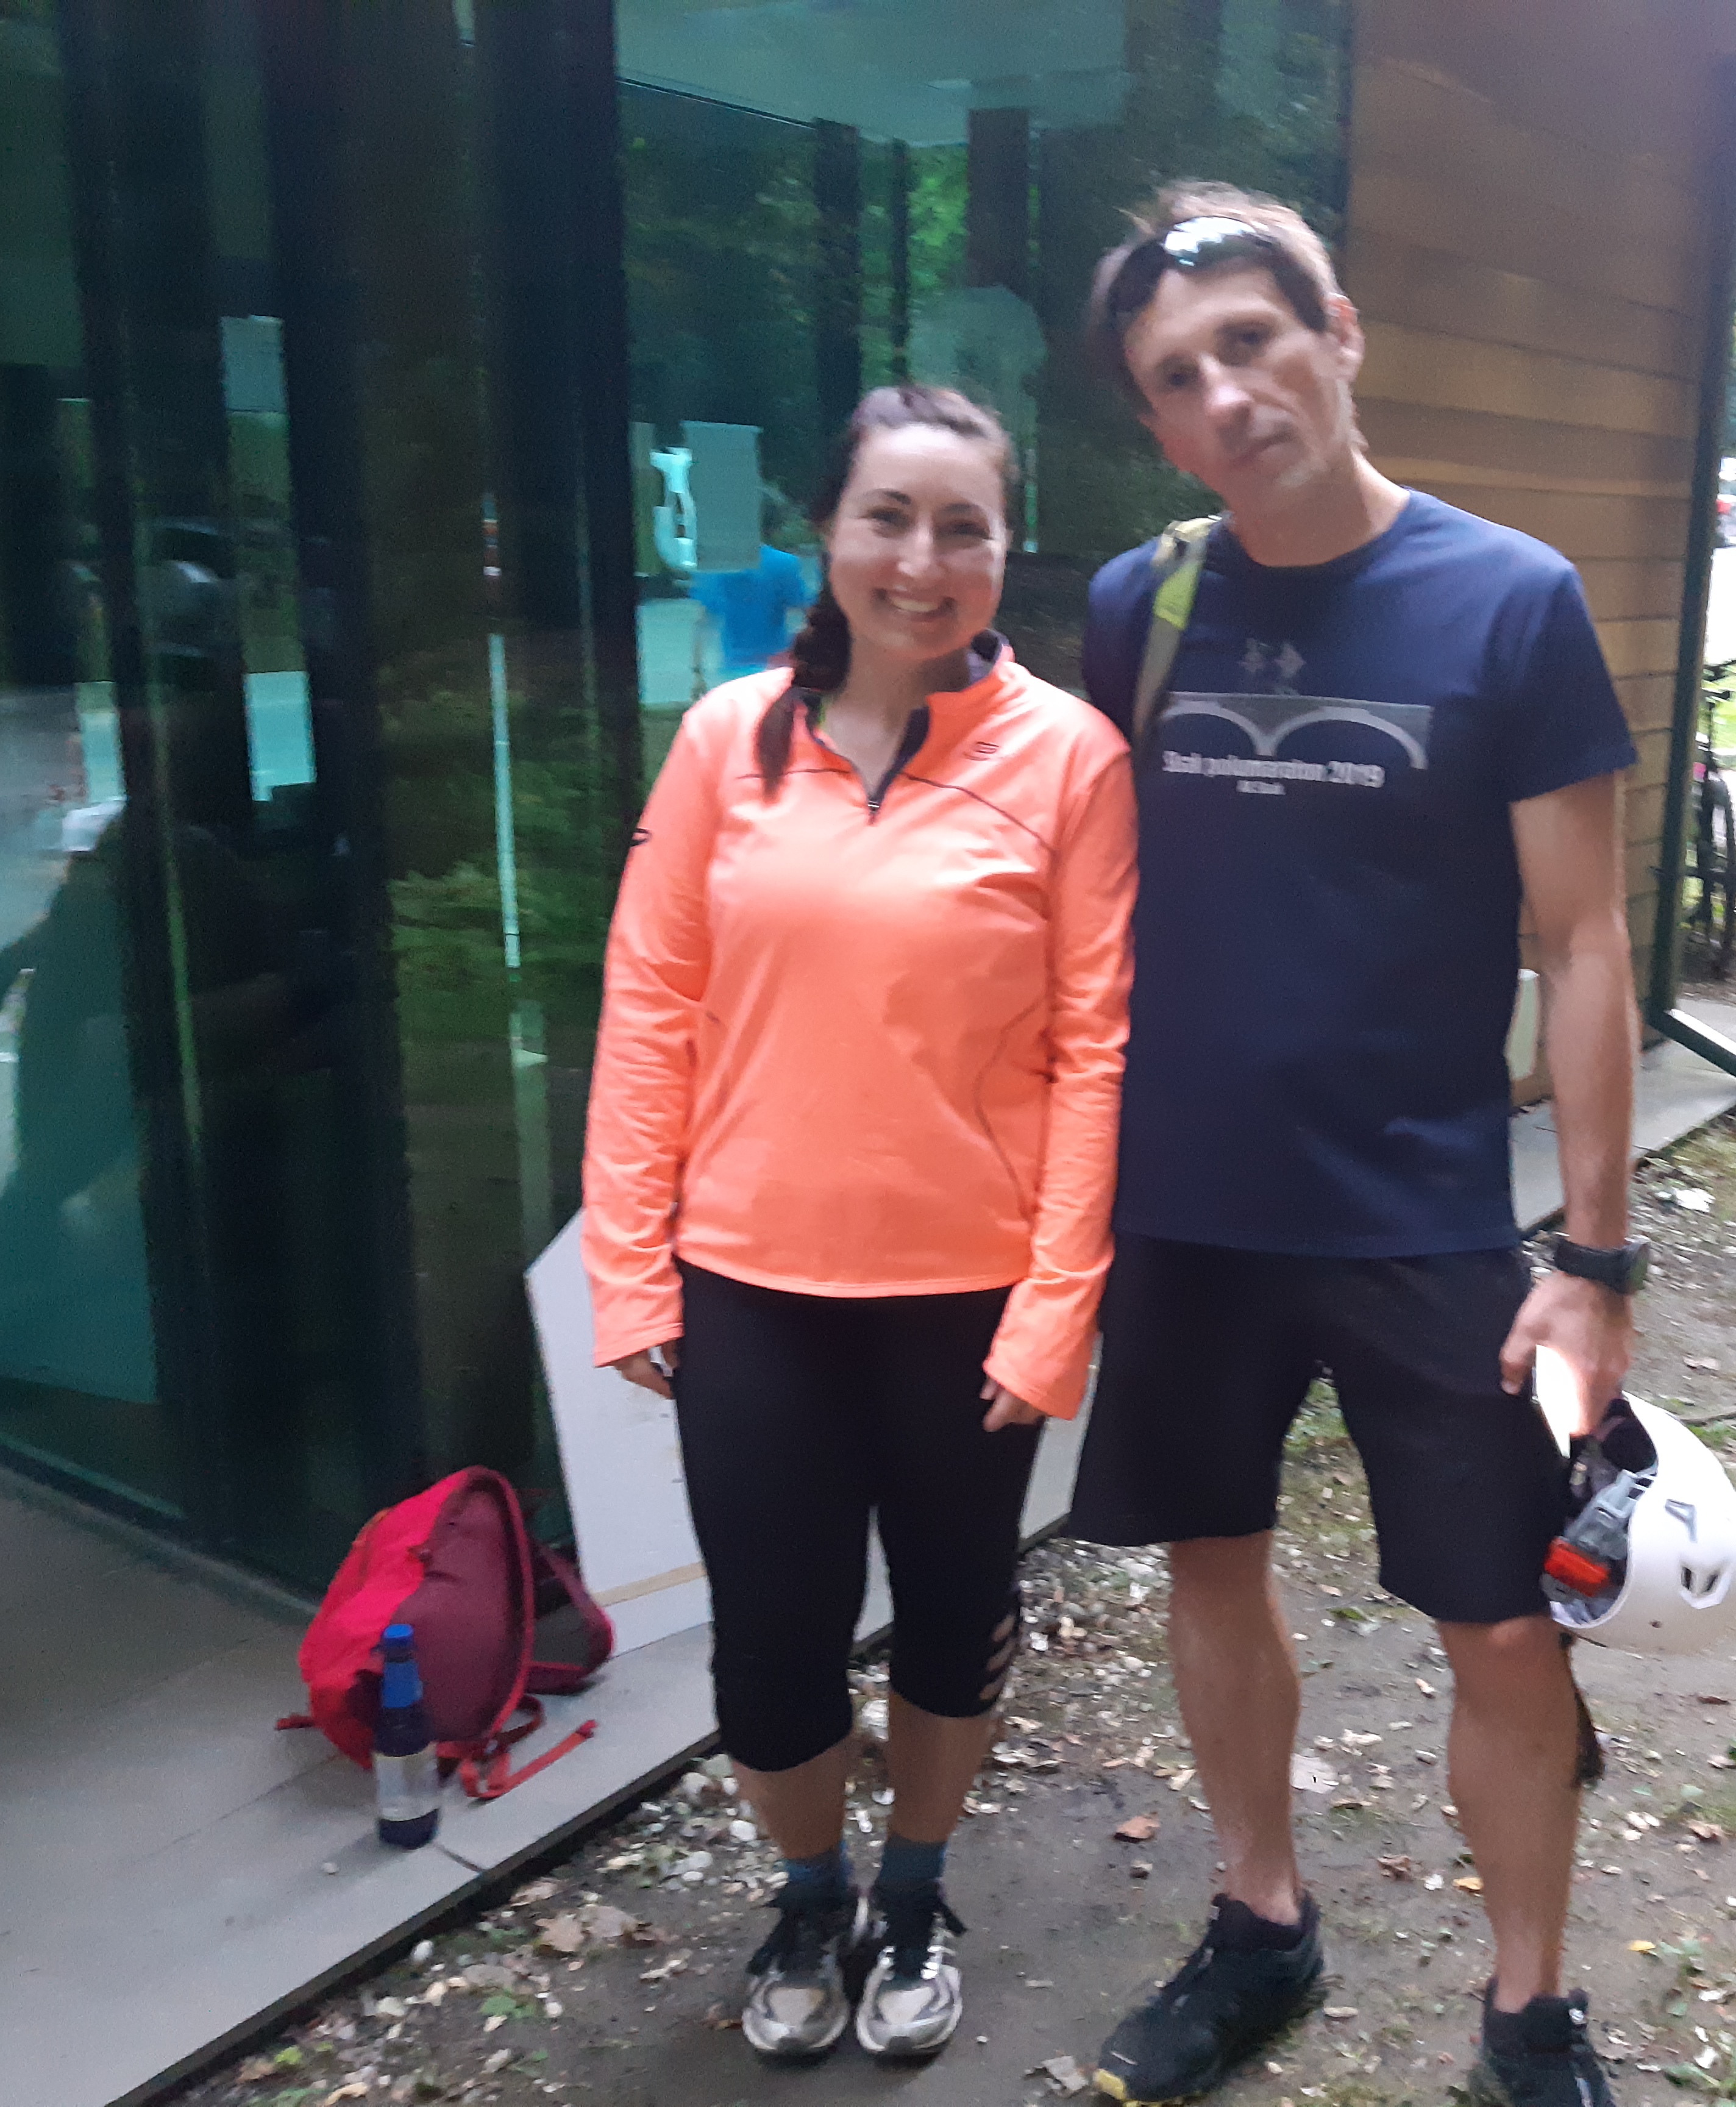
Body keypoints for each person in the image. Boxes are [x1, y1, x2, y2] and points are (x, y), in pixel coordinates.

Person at [1066, 185, 1648, 2107]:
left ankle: (1530, 2015)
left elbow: (1583, 942)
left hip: (1421, 1216)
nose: (1226, 394)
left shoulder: (1510, 600)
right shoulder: (1138, 612)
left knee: (1505, 1624)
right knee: (1210, 1565)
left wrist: (1594, 1261)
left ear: (1340, 336)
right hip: (1188, 1212)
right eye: (1178, 378)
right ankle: (1261, 1921)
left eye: (1252, 341)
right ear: (1158, 427)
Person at [582, 385, 1136, 2067]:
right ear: (827, 533)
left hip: (970, 1296)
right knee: (772, 1650)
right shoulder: (726, 740)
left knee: (957, 1618)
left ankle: (914, 1891)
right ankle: (807, 1894)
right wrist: (629, 1267)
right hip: (750, 1283)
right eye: (889, 517)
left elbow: (1097, 1048)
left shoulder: (1071, 757)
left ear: (1005, 550)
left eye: (964, 526)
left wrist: (1056, 1307)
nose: (922, 559)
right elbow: (650, 1003)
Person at [689, 535, 816, 684]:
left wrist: (698, 672)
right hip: (777, 665)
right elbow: (807, 613)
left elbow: (704, 621)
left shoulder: (716, 568)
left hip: (734, 667)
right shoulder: (784, 563)